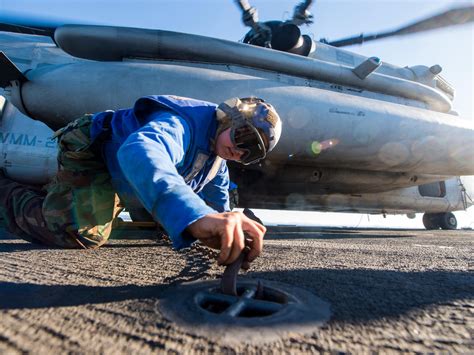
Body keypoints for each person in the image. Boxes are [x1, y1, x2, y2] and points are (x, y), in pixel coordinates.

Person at [0, 95, 282, 269]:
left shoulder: (217, 165)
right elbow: (139, 151)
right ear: (227, 116)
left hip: (125, 171)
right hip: (93, 149)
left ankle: (66, 194)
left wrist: (222, 228)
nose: (240, 151)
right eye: (242, 138)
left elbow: (217, 208)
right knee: (80, 232)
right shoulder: (183, 123)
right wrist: (195, 216)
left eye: (251, 153)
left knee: (168, 220)